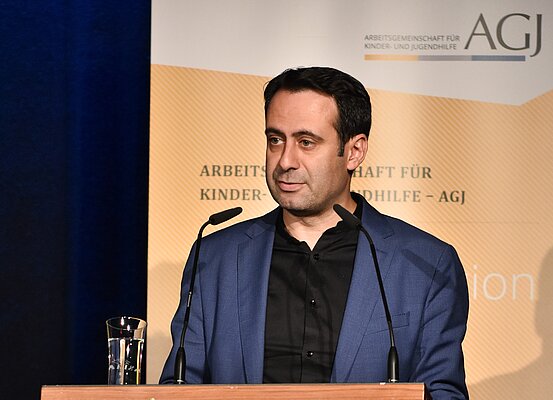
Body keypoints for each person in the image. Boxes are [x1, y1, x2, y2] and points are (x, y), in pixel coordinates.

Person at [160, 67, 469, 399]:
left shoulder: (425, 263)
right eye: (275, 140)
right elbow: (179, 388)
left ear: (354, 152)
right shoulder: (215, 257)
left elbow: (442, 392)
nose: (285, 161)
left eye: (306, 142)